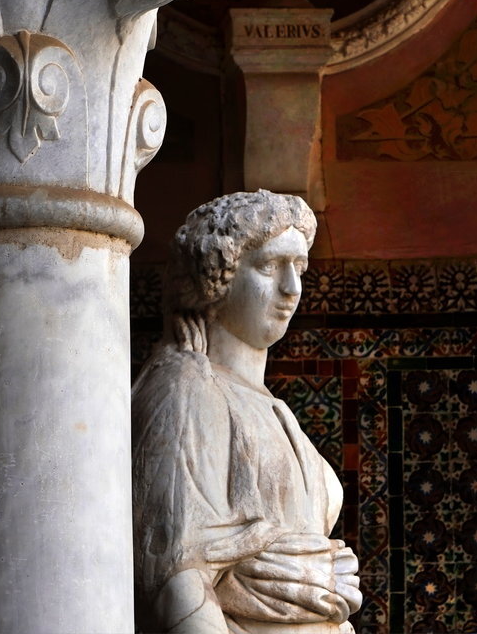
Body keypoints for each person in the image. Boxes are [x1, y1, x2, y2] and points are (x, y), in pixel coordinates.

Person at [133, 190, 361, 633]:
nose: (291, 288)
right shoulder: (187, 389)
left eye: (299, 268)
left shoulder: (275, 411)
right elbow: (178, 573)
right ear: (218, 278)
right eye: (270, 266)